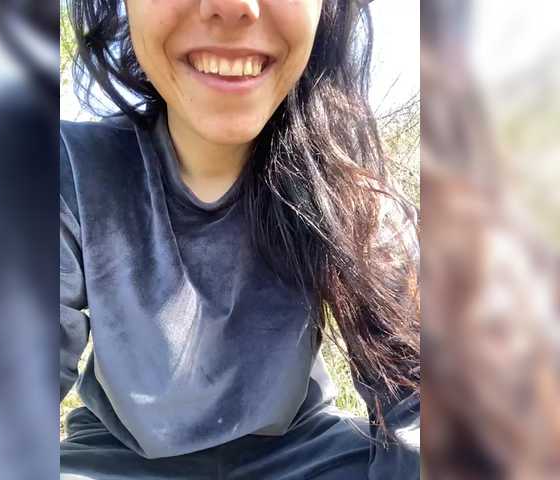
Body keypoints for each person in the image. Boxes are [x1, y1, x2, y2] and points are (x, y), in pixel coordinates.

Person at [60, 0, 420, 478]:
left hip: (309, 457)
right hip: (112, 461)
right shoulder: (66, 170)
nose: (234, 6)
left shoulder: (352, 197)